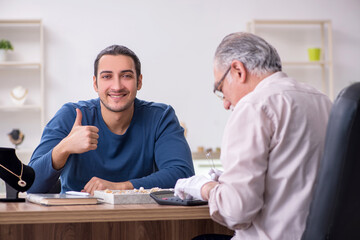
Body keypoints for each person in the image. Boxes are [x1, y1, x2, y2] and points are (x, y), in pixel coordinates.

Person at [175, 32, 332, 240]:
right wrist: (230, 180)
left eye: (221, 89)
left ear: (238, 70)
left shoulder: (253, 105)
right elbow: (295, 176)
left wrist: (204, 187)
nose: (226, 103)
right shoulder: (323, 101)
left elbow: (236, 211)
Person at [28, 45, 194, 194]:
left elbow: (182, 175)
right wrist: (64, 148)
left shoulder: (160, 117)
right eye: (107, 76)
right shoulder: (70, 116)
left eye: (126, 76)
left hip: (140, 219)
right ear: (95, 84)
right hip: (76, 221)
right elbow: (30, 184)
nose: (117, 86)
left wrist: (119, 187)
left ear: (139, 81)